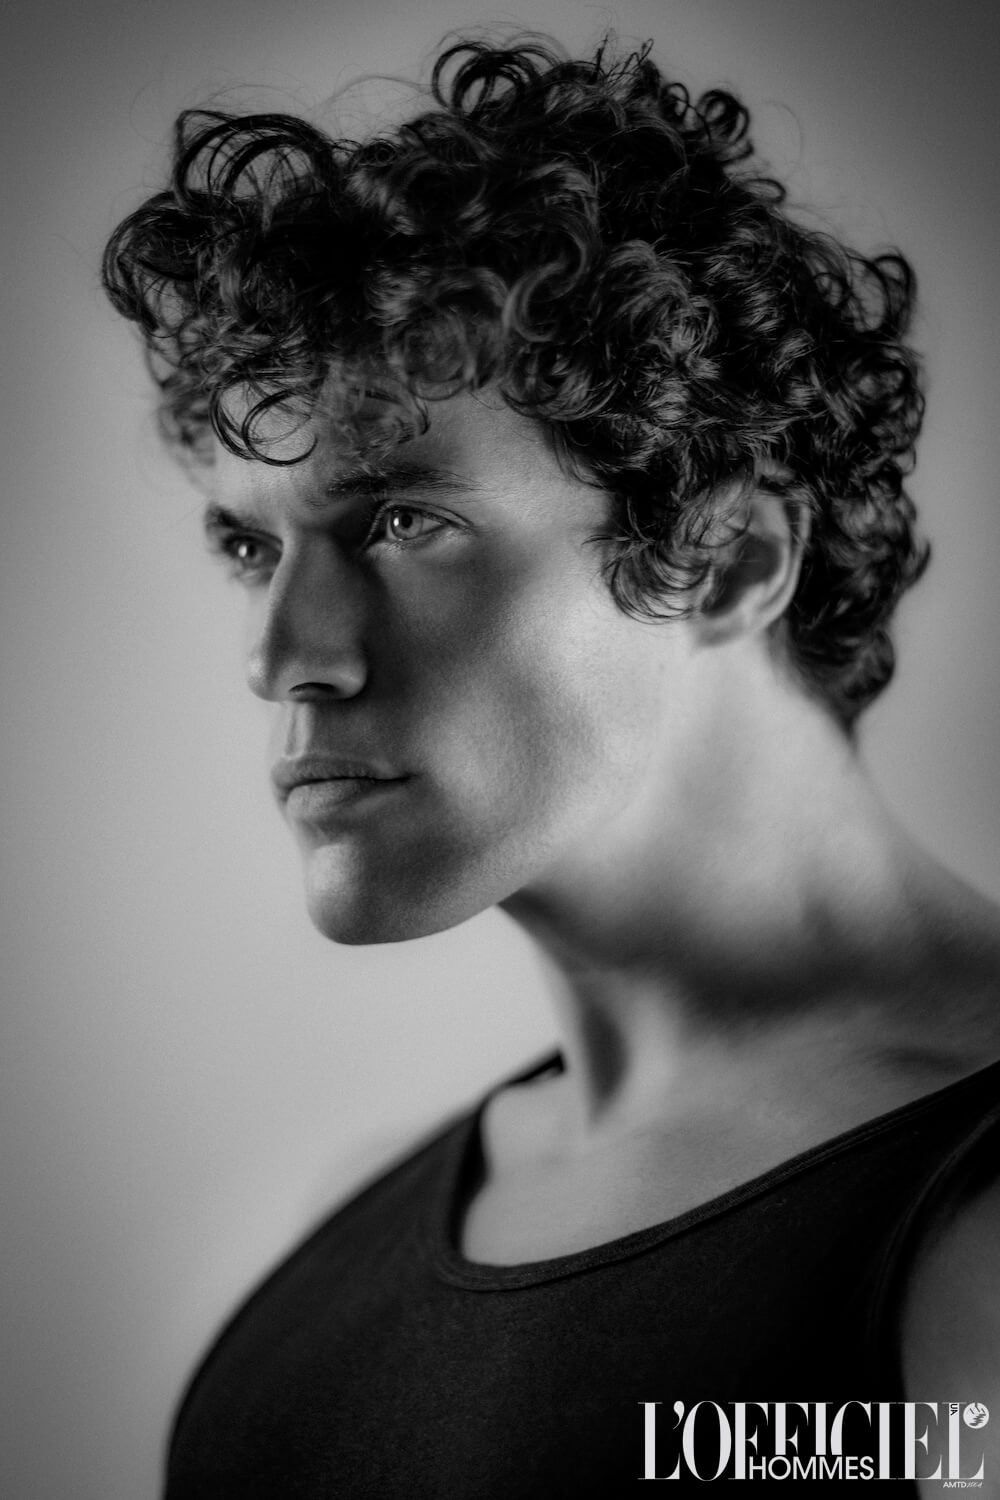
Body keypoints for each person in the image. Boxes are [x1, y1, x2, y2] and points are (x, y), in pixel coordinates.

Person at [102, 34, 1000, 1496]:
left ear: (723, 559)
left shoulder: (969, 1247)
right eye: (252, 544)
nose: (282, 658)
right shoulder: (337, 1247)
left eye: (402, 520)